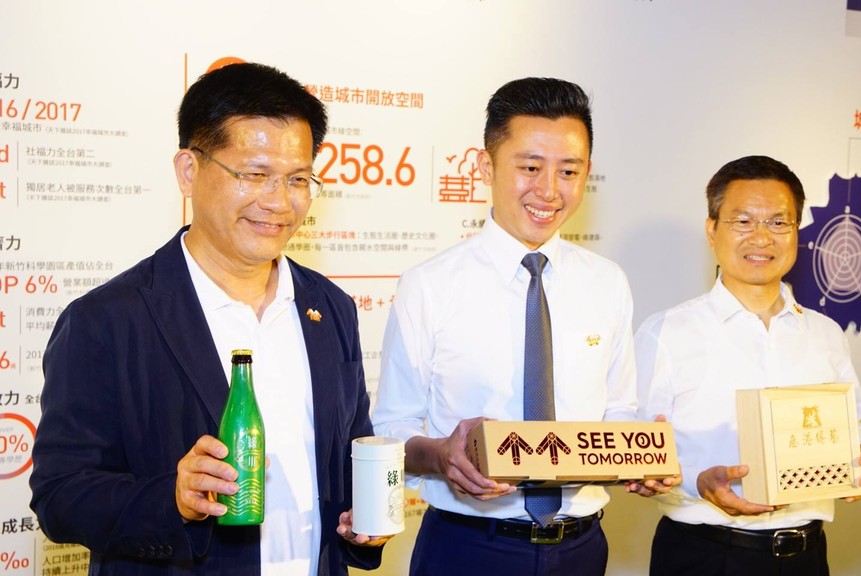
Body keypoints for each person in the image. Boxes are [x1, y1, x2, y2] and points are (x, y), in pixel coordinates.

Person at [30, 62, 386, 576]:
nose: (279, 202)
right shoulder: (107, 321)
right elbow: (61, 496)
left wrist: (364, 516)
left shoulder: (329, 308)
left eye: (297, 179)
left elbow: (350, 456)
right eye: (254, 175)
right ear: (188, 171)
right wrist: (172, 498)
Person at [372, 77, 671, 576]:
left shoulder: (607, 282)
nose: (548, 191)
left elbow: (618, 409)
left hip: (581, 549)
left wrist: (641, 456)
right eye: (530, 167)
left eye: (568, 171)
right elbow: (391, 429)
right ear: (486, 166)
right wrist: (442, 455)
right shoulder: (429, 285)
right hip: (466, 549)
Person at [635, 155, 861, 575]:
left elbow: (850, 428)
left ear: (797, 232)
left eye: (778, 222)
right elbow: (636, 454)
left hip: (807, 555)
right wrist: (697, 481)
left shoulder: (826, 334)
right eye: (743, 221)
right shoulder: (667, 333)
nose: (762, 237)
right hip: (705, 555)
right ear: (712, 230)